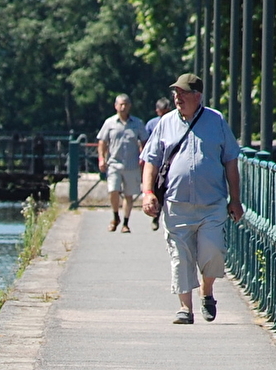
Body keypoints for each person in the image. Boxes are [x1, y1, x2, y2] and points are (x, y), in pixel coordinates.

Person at [140, 74, 242, 325]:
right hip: (177, 204)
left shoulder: (216, 121)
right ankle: (185, 308)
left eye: (183, 93)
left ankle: (207, 291)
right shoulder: (166, 123)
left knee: (214, 251)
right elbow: (151, 160)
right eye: (176, 93)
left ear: (198, 97)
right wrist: (148, 193)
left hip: (212, 203)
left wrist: (235, 199)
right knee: (180, 256)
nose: (178, 98)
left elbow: (230, 160)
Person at [96, 94, 147, 233]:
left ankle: (125, 222)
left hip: (131, 164)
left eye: (125, 104)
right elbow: (102, 141)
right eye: (120, 104)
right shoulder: (110, 123)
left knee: (129, 195)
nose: (123, 107)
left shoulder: (137, 123)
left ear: (129, 106)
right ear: (116, 106)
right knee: (113, 190)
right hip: (114, 163)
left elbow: (144, 141)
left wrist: (143, 157)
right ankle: (115, 216)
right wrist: (101, 158)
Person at [143, 98, 174, 231]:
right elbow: (146, 142)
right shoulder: (152, 124)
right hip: (156, 162)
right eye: (161, 113)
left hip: (169, 163)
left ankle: (159, 214)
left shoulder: (175, 123)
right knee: (156, 188)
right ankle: (155, 214)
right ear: (157, 111)